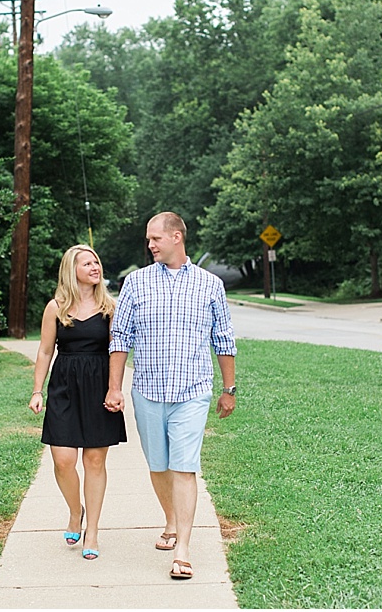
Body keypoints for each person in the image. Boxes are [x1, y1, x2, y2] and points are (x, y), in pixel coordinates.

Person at [104, 212, 237, 581]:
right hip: (147, 391)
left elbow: (224, 340)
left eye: (155, 239)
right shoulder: (136, 283)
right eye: (149, 240)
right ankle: (172, 519)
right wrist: (115, 387)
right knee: (158, 466)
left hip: (192, 391)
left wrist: (229, 389)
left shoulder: (210, 285)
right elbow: (120, 339)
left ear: (176, 237)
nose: (150, 245)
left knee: (184, 465)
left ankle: (183, 550)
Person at [30, 244, 126, 561]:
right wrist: (37, 390)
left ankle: (93, 531)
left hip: (98, 386)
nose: (94, 267)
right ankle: (76, 511)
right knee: (63, 460)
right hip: (65, 386)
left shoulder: (110, 307)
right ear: (72, 270)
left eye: (96, 261)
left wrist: (116, 389)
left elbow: (117, 351)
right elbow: (45, 351)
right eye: (87, 263)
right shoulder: (55, 307)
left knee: (95, 462)